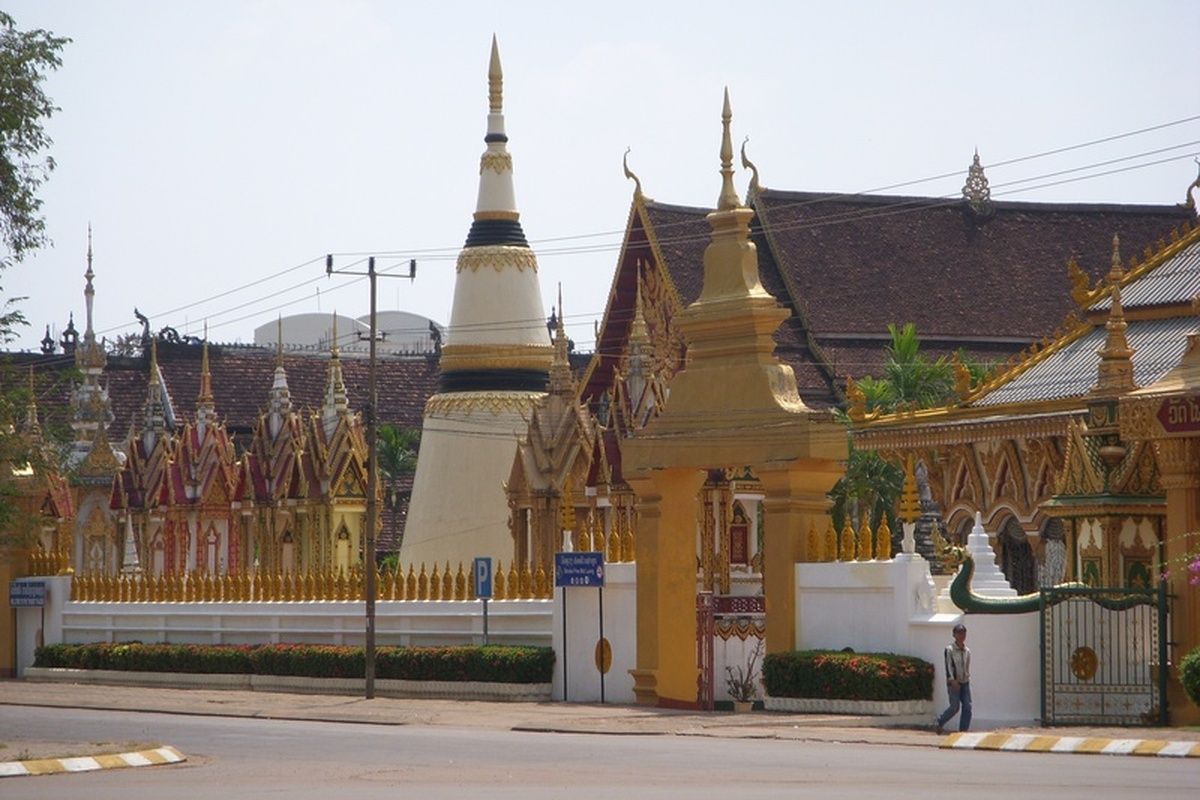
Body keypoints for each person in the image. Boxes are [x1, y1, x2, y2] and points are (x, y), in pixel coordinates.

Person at [935, 622, 971, 734]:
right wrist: (951, 679)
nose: (961, 635)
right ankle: (940, 722)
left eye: (963, 633)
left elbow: (967, 666)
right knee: (955, 707)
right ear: (954, 635)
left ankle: (963, 731)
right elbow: (948, 665)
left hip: (964, 682)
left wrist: (967, 677)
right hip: (954, 682)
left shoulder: (967, 651)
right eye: (959, 633)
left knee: (968, 707)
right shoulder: (949, 649)